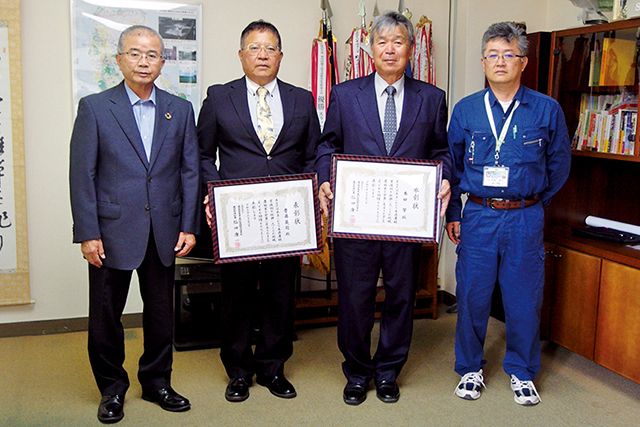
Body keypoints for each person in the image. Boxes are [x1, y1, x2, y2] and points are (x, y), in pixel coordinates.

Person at [316, 11, 452, 405]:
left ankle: (389, 371)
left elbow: (440, 149)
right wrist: (326, 177)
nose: (390, 49)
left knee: (400, 297)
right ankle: (357, 372)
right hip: (356, 219)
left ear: (411, 48)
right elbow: (328, 145)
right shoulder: (345, 94)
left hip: (404, 220)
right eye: (382, 41)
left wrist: (444, 177)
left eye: (398, 41)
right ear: (369, 48)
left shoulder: (432, 98)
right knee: (355, 298)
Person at [69, 25, 200, 423]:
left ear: (163, 61)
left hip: (165, 230)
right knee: (106, 315)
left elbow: (190, 171)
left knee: (160, 314)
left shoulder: (179, 109)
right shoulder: (95, 107)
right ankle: (112, 389)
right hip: (110, 232)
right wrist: (88, 232)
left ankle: (158, 382)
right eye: (135, 53)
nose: (144, 61)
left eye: (152, 55)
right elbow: (82, 175)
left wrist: (189, 225)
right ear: (119, 59)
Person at [446, 21, 571, 406]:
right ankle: (469, 368)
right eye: (492, 55)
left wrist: (531, 202)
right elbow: (450, 167)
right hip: (479, 216)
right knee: (471, 295)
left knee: (523, 298)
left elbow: (559, 164)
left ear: (523, 62)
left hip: (524, 218)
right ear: (483, 61)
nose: (500, 61)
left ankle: (521, 370)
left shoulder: (546, 109)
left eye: (509, 54)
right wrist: (454, 212)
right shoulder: (466, 109)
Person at [197, 20, 320, 402]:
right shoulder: (219, 97)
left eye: (270, 48)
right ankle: (237, 370)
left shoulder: (302, 99)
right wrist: (213, 193)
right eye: (254, 47)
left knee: (282, 293)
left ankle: (272, 367)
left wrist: (310, 198)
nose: (262, 54)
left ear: (281, 56)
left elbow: (313, 154)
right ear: (241, 55)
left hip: (285, 219)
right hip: (240, 218)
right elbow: (202, 154)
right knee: (237, 293)